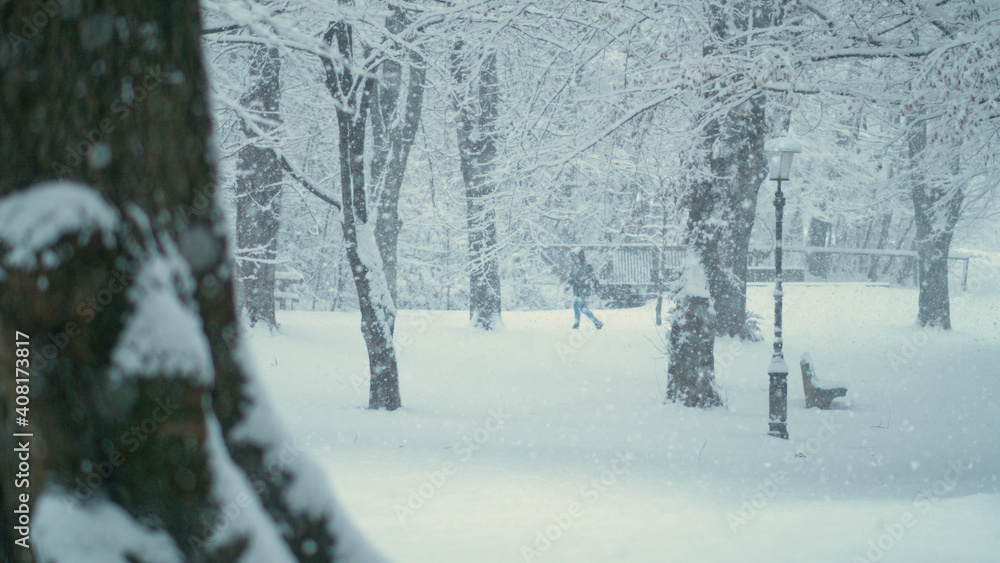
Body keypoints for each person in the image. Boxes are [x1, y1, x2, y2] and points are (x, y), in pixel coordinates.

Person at [566, 248, 604, 329]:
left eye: (576, 256)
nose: (575, 258)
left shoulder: (587, 266)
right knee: (583, 309)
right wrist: (567, 287)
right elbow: (571, 278)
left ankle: (576, 323)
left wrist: (599, 289)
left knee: (576, 305)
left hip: (584, 290)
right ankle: (597, 322)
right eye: (573, 257)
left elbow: (594, 279)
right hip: (577, 290)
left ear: (580, 256)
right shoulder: (574, 267)